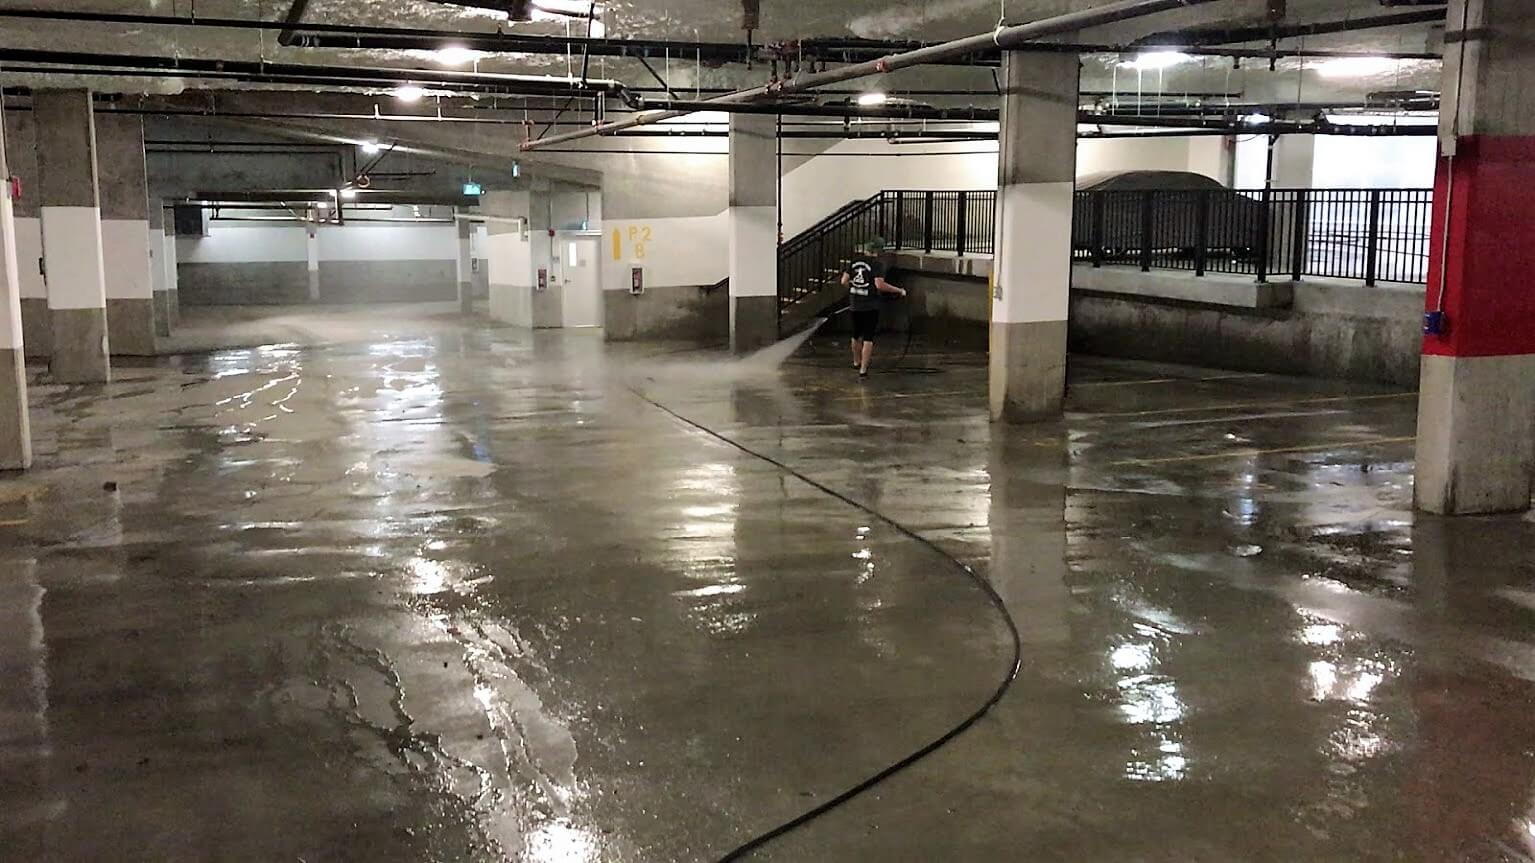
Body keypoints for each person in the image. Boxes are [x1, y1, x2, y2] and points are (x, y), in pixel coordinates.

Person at [839, 237, 906, 378]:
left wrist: (853, 289)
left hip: (855, 304)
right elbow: (879, 285)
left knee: (855, 335)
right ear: (879, 251)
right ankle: (863, 369)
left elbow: (844, 281)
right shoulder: (877, 265)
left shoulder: (854, 261)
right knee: (868, 337)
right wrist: (899, 290)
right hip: (870, 306)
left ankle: (856, 361)